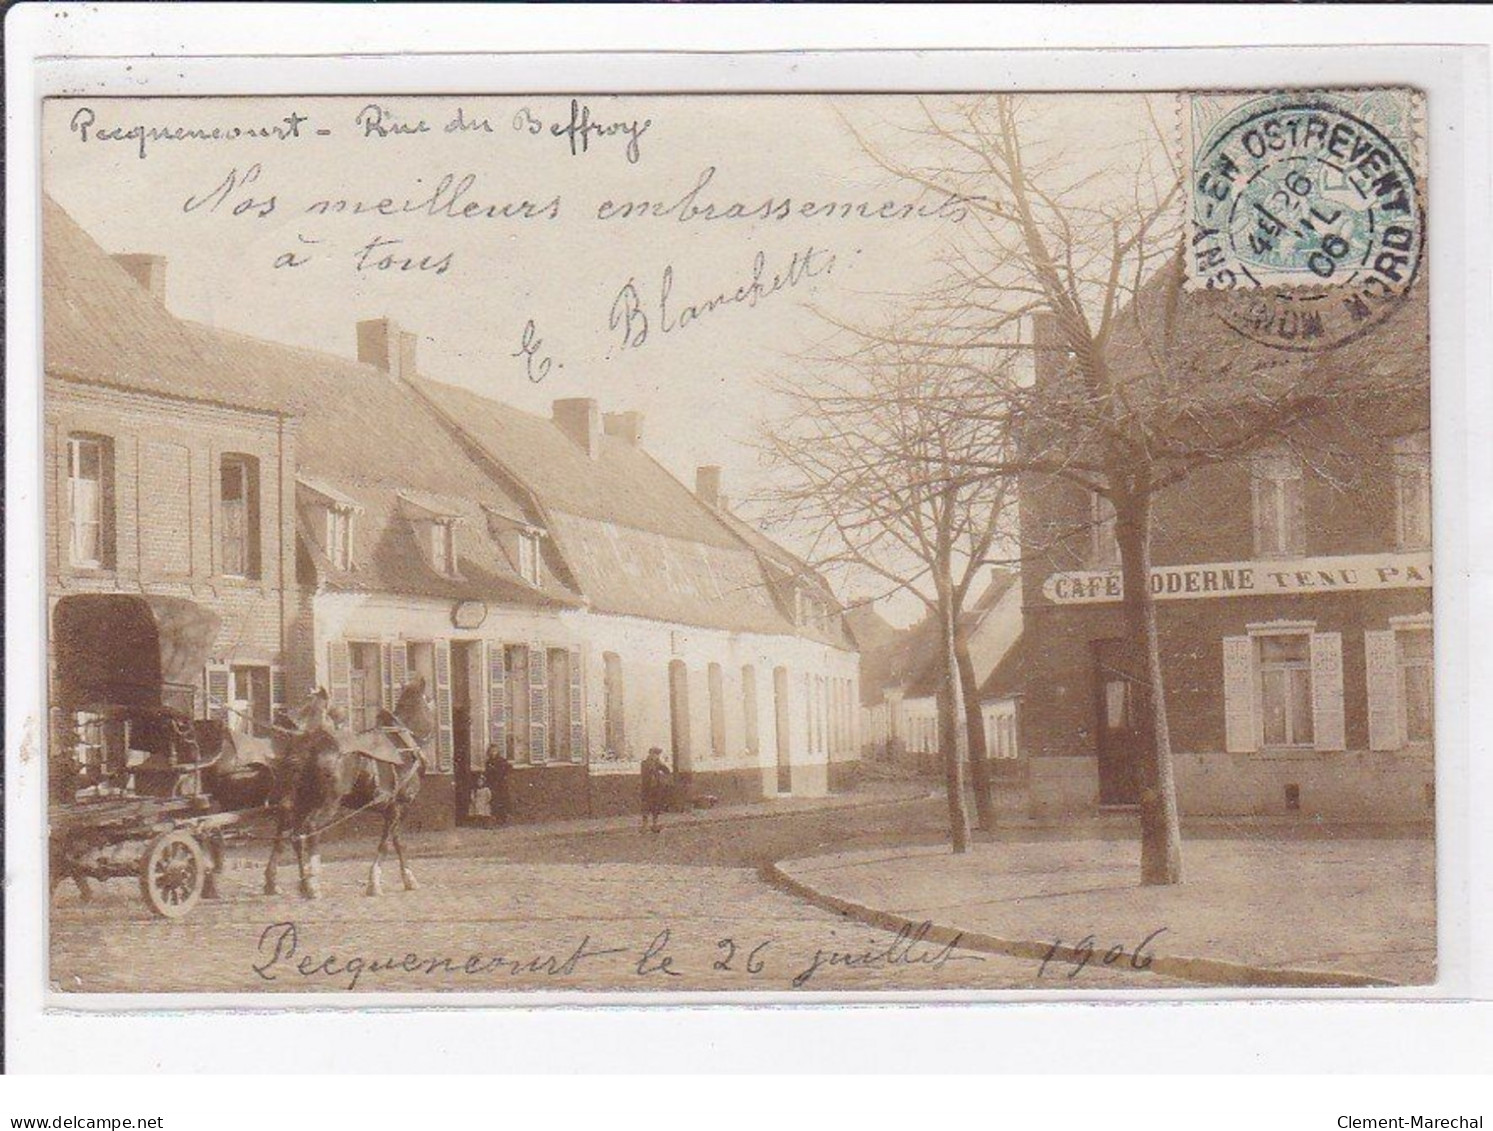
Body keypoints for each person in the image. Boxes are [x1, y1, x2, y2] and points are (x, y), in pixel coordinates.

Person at [640, 746, 671, 834]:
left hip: (656, 788)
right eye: (655, 754)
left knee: (655, 807)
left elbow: (667, 770)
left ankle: (654, 824)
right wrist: (655, 768)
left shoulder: (658, 764)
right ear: (650, 754)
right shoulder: (644, 763)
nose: (656, 756)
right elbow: (646, 774)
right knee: (646, 806)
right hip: (647, 788)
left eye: (658, 754)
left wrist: (661, 766)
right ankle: (645, 826)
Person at [484, 742, 512, 827]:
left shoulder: (501, 761)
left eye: (495, 751)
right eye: (491, 751)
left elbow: (508, 768)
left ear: (498, 751)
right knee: (493, 802)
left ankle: (503, 820)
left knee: (502, 801)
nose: (493, 753)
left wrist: (503, 776)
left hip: (501, 784)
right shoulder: (488, 762)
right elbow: (487, 773)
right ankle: (495, 819)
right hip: (492, 784)